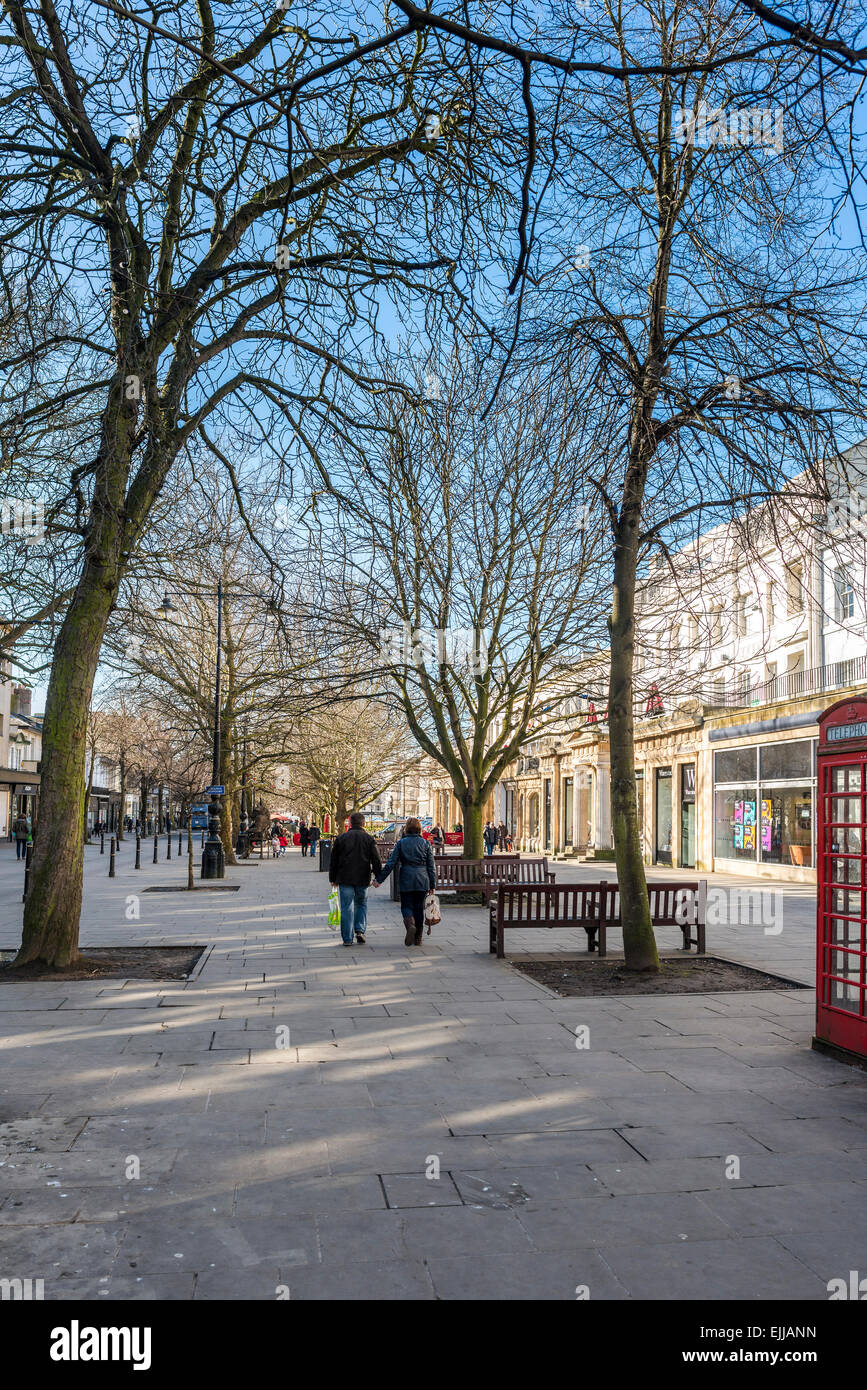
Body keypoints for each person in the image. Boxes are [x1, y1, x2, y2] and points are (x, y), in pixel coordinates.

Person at [374, 817, 436, 947]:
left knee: (406, 906)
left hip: (406, 878)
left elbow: (391, 863)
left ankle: (410, 925)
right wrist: (432, 885)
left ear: (406, 829)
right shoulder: (426, 844)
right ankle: (418, 938)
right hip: (422, 879)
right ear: (419, 828)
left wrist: (379, 880)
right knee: (419, 908)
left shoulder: (401, 843)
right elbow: (431, 866)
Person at [329, 811, 382, 947]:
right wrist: (378, 877)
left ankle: (347, 938)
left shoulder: (341, 838)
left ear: (350, 823)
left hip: (344, 877)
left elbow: (333, 860)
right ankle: (360, 930)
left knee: (346, 907)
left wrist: (332, 878)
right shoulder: (369, 839)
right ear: (363, 823)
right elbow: (376, 859)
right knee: (361, 904)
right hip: (363, 878)